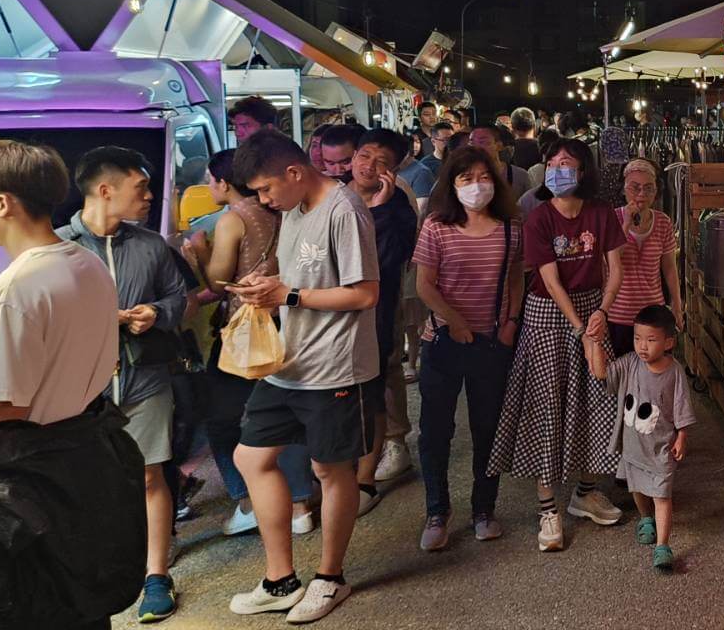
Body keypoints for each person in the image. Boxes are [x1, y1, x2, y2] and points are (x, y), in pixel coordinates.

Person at [0, 141, 144, 630]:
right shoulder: (86, 264)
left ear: (2, 202)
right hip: (85, 457)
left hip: (29, 479)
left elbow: (4, 408)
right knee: (79, 601)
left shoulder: (16, 286)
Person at [224, 131, 381, 622]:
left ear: (294, 173)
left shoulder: (345, 210)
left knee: (331, 471)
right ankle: (280, 580)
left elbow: (365, 294)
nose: (264, 201)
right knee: (250, 456)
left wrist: (288, 295)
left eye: (266, 189)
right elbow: (296, 271)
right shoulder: (292, 212)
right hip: (287, 363)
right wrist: (266, 281)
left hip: (336, 365)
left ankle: (330, 577)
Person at [57, 147, 189, 623]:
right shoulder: (58, 248)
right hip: (82, 387)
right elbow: (45, 317)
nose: (151, 197)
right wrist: (100, 319)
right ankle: (99, 567)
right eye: (142, 188)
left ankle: (156, 574)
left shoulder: (151, 245)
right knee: (89, 481)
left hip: (145, 378)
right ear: (105, 190)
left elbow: (178, 298)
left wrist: (157, 314)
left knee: (152, 473)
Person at [488, 138, 626, 552]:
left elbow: (614, 269)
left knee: (595, 400)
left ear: (583, 170)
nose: (557, 168)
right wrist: (581, 326)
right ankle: (548, 508)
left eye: (566, 162)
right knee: (548, 407)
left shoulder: (601, 213)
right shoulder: (539, 218)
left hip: (591, 305)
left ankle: (585, 492)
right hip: (548, 314)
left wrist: (601, 313)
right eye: (552, 162)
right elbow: (548, 279)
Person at [180, 150, 318, 541]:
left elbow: (218, 281)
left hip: (248, 327)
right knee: (286, 410)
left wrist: (199, 254)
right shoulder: (282, 210)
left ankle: (247, 502)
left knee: (222, 418)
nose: (209, 187)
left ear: (225, 183)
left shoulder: (233, 219)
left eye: (211, 180)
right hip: (285, 320)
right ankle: (300, 503)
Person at [411, 146, 523, 551]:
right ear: (451, 184)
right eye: (465, 179)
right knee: (435, 431)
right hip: (444, 342)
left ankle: (484, 509)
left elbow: (514, 278)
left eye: (483, 176)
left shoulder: (510, 227)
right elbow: (425, 285)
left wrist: (510, 323)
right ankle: (437, 511)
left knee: (487, 429)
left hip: (492, 344)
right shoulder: (437, 226)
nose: (477, 186)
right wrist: (453, 322)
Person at [583, 304, 694, 571]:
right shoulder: (631, 363)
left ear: (669, 342)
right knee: (637, 488)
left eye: (651, 340)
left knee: (662, 495)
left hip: (660, 449)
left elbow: (682, 409)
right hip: (633, 447)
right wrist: (597, 343)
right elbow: (602, 373)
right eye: (637, 338)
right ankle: (645, 519)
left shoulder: (674, 372)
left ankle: (663, 546)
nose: (643, 346)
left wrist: (682, 436)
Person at [345, 129, 419, 518]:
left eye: (381, 162)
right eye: (364, 155)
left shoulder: (399, 209)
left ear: (394, 170)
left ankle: (368, 474)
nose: (369, 166)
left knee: (377, 378)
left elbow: (385, 260)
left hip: (377, 307)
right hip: (330, 310)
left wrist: (381, 207)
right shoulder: (332, 196)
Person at [609, 159, 684, 357]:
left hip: (653, 313)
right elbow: (612, 260)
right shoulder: (612, 219)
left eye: (648, 189)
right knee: (621, 376)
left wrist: (676, 302)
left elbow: (669, 267)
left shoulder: (663, 222)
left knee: (654, 375)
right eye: (635, 188)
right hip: (618, 313)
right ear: (624, 190)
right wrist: (626, 224)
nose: (641, 194)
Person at [470, 124, 534, 198]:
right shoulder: (464, 177)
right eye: (472, 143)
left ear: (499, 146)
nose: (476, 147)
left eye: (482, 142)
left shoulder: (519, 176)